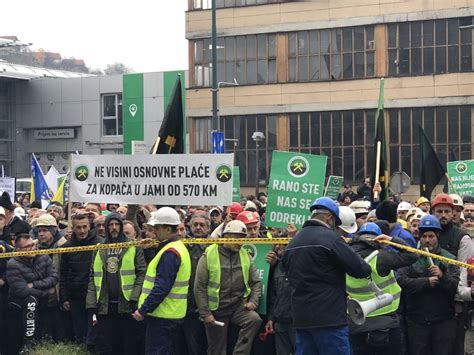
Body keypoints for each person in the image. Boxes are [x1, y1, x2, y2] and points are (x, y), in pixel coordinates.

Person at [282, 197, 372, 354]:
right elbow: (361, 269)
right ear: (330, 218)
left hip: (301, 318)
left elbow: (285, 270)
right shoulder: (331, 239)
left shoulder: (293, 243)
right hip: (329, 318)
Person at [346, 222, 418, 355]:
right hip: (385, 324)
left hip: (356, 322)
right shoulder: (381, 257)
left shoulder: (345, 256)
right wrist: (391, 240)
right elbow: (413, 255)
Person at [194, 220, 262, 355]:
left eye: (242, 239)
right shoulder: (209, 255)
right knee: (217, 350)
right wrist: (205, 313)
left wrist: (253, 301)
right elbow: (199, 287)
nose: (240, 242)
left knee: (254, 320)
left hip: (237, 307)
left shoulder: (245, 255)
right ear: (225, 237)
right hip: (216, 310)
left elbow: (255, 282)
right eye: (236, 238)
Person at [397, 215, 460, 355]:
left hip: (443, 322)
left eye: (431, 236)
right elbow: (401, 281)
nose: (427, 240)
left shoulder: (449, 259)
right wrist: (426, 282)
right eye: (424, 236)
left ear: (437, 236)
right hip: (417, 322)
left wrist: (443, 277)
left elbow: (456, 286)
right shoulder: (410, 258)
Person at [133, 207, 191, 355]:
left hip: (162, 317)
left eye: (157, 227)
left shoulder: (170, 252)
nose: (155, 231)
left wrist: (143, 309)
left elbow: (161, 287)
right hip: (171, 315)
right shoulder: (178, 248)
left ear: (167, 229)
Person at [86, 213, 146, 354]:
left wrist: (135, 298)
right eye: (110, 225)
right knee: (107, 346)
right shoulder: (99, 248)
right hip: (105, 306)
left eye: (117, 224)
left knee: (129, 346)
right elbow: (93, 277)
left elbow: (141, 273)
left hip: (127, 305)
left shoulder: (133, 246)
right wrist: (91, 305)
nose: (114, 228)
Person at [6, 234, 58, 354]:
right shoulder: (13, 263)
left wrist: (34, 284)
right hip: (20, 303)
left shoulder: (43, 256)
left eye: (33, 245)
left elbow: (54, 277)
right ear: (18, 250)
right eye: (28, 246)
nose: (32, 248)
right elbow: (22, 290)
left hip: (44, 302)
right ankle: (29, 343)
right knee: (31, 301)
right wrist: (46, 291)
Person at [59, 214, 104, 346]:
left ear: (89, 226)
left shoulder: (100, 244)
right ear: (73, 228)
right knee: (79, 333)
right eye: (78, 227)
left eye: (85, 227)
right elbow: (63, 274)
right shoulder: (67, 247)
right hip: (75, 296)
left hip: (96, 295)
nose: (82, 230)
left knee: (96, 333)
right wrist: (64, 297)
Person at [36, 214, 69, 342]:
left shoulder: (64, 246)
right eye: (39, 231)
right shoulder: (36, 247)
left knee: (60, 324)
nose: (41, 234)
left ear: (53, 230)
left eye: (44, 230)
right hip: (42, 291)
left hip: (59, 291)